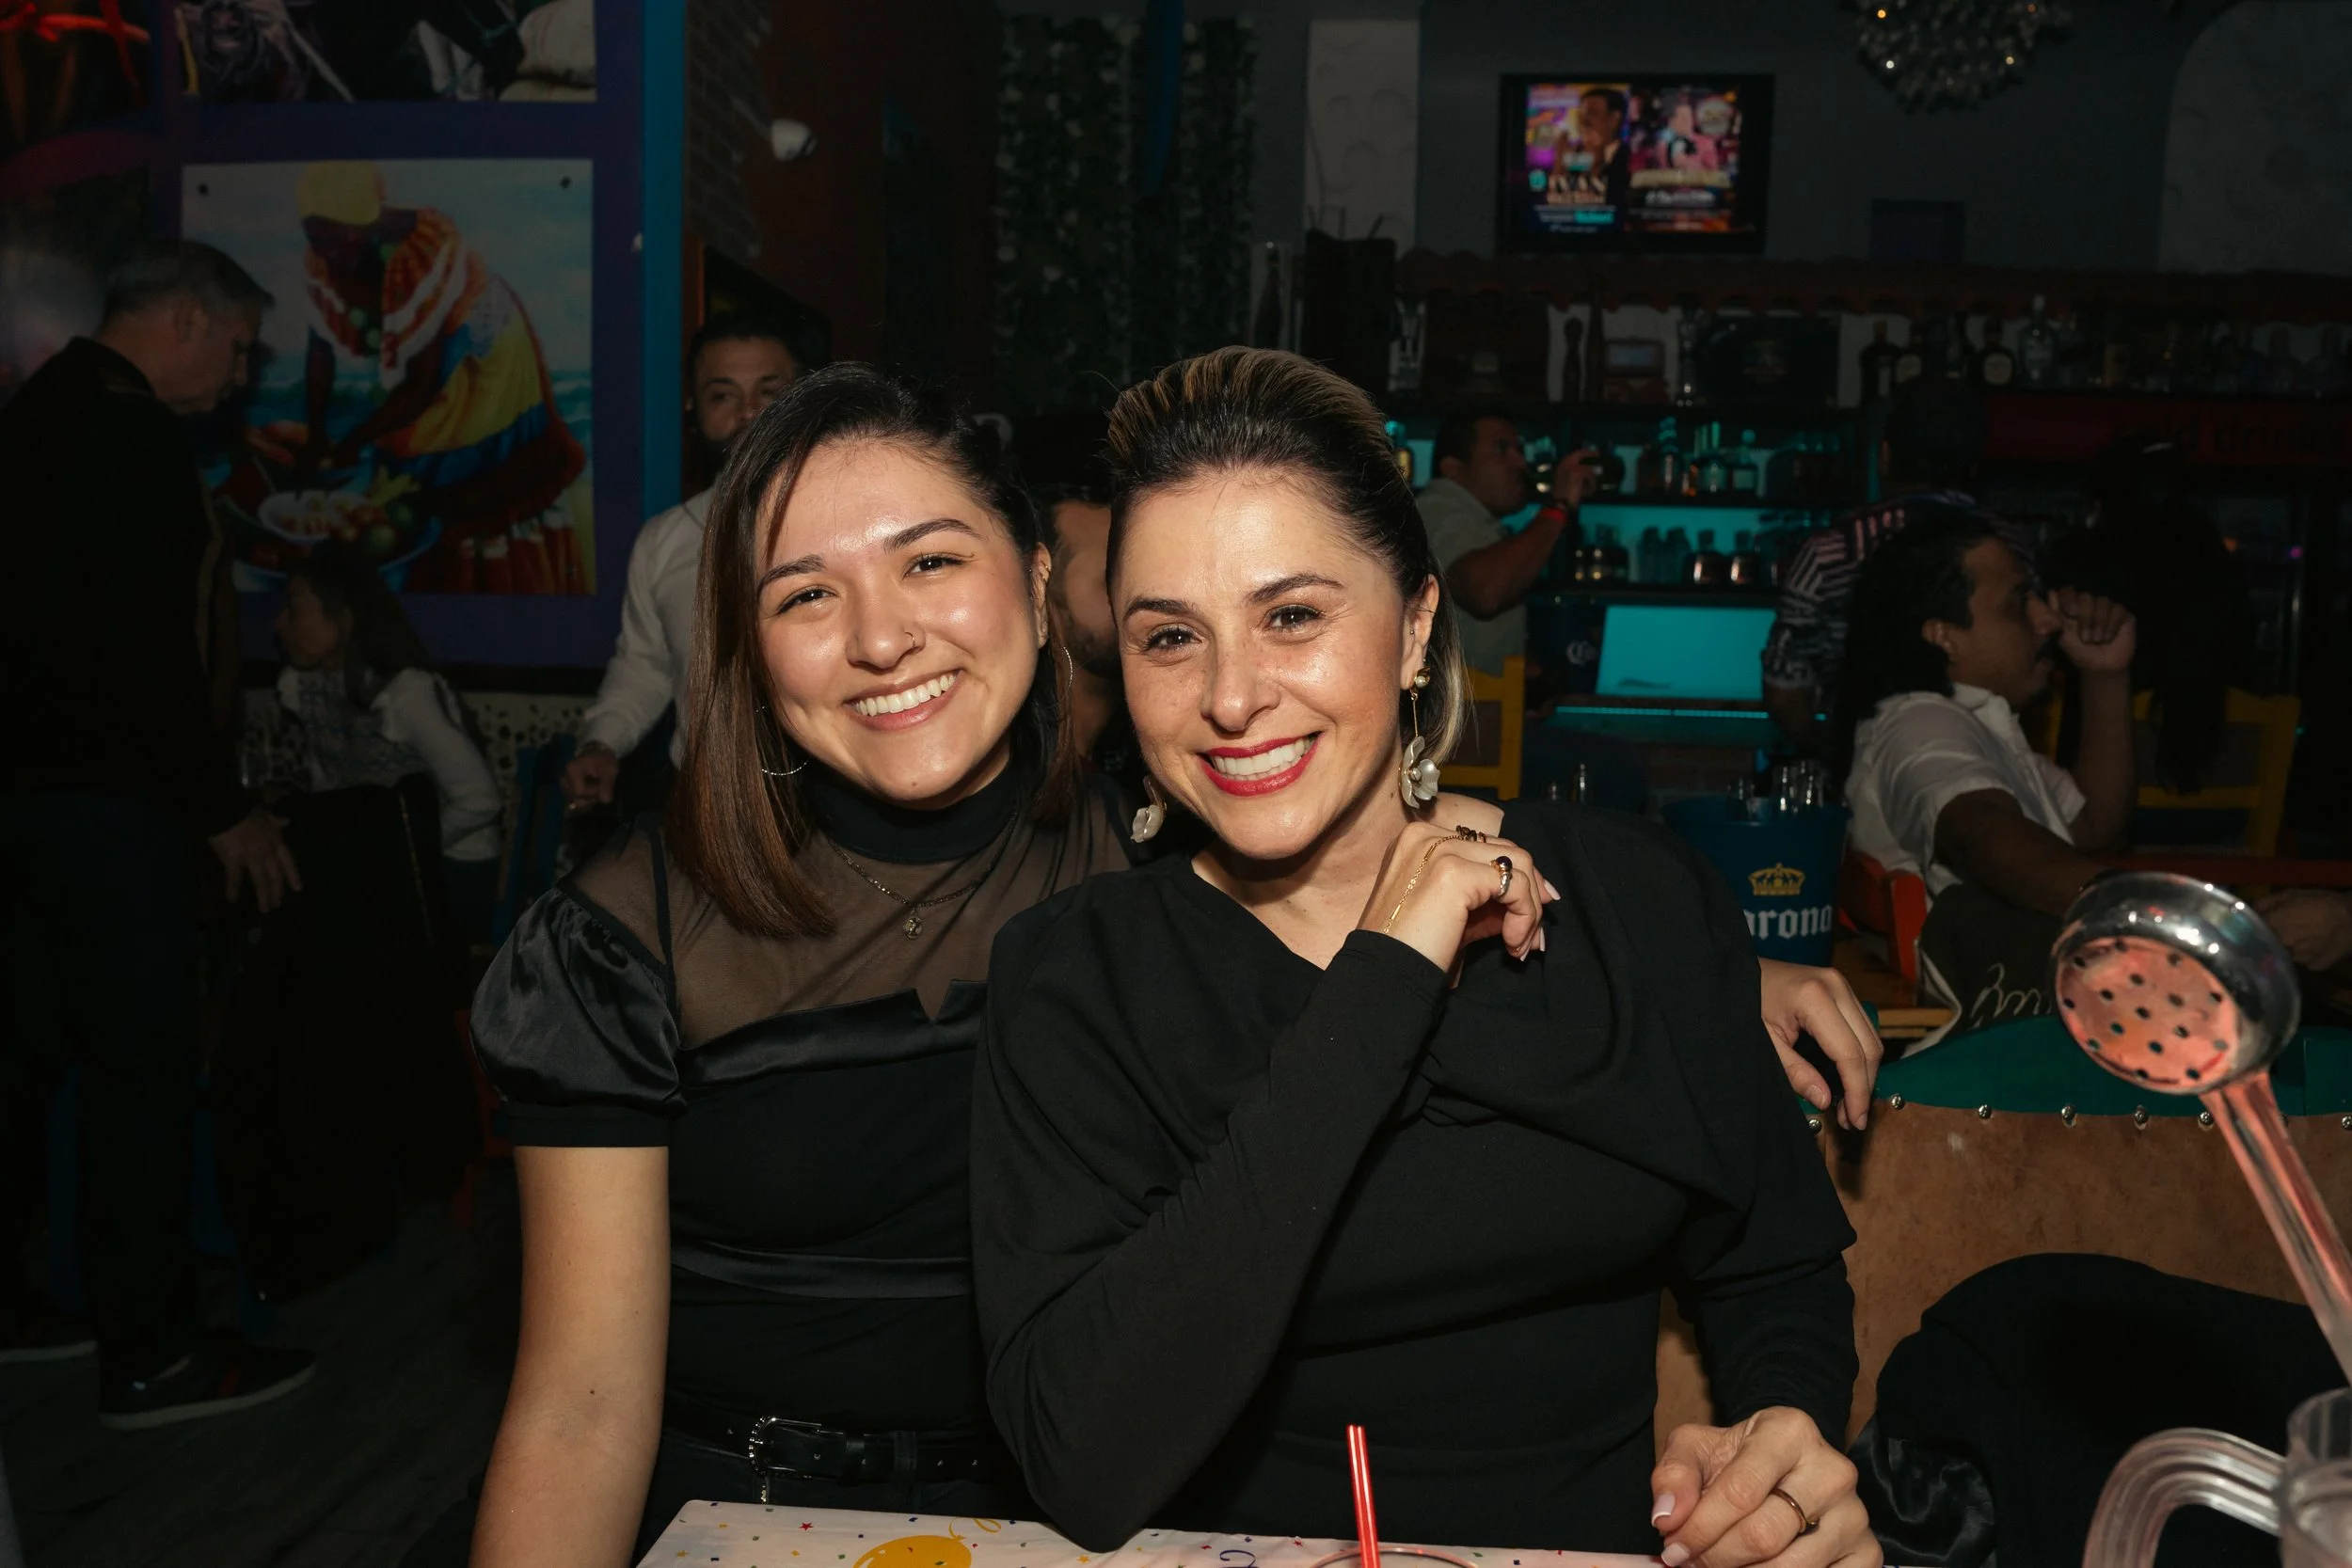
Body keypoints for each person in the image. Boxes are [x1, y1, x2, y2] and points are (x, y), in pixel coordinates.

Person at [971, 347, 1877, 1560]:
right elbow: (1081, 1455)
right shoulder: (1075, 981)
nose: (1231, 697)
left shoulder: (1639, 901)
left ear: (1413, 628)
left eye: (1291, 616)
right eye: (1170, 638)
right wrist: (1381, 977)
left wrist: (1777, 1448)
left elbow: (1774, 1265)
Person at [0, 239, 314, 1421]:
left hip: (26, 801)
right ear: (181, 319)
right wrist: (221, 805)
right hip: (106, 804)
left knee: (27, 1057)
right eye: (235, 347)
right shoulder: (121, 433)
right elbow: (140, 654)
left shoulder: (36, 414)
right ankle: (154, 1350)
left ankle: (18, 1303)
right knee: (140, 1063)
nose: (239, 376)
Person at [1837, 510, 2137, 1039]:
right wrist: (2160, 914)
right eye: (2019, 602)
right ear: (1944, 636)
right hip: (1989, 1053)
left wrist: (2104, 676)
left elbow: (2094, 827)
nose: (2048, 620)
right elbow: (1980, 837)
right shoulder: (1921, 722)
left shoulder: (1978, 723)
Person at [288, 160, 588, 593]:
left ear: (364, 224)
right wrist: (317, 434)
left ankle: (487, 577)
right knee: (408, 454)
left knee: (460, 461)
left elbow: (423, 385)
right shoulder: (323, 253)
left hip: (486, 350)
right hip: (427, 361)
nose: (329, 253)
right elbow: (319, 349)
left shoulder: (427, 252)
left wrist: (353, 440)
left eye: (339, 239)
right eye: (316, 239)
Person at [563, 311, 809, 811]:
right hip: (710, 813)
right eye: (723, 395)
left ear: (802, 398)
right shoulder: (665, 541)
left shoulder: (859, 524)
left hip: (840, 810)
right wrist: (602, 743)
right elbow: (645, 664)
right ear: (693, 407)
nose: (748, 412)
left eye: (770, 392)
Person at [1764, 379, 2011, 752]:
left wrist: (1829, 756)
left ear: (1884, 456)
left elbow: (1784, 693)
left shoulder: (1829, 551)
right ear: (1974, 466)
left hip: (1865, 764)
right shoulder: (2012, 550)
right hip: (1985, 768)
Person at [274, 541, 501, 944]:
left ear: (344, 617)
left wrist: (400, 852)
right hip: (377, 870)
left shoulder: (404, 692)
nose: (280, 623)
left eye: (294, 608)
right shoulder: (302, 687)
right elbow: (330, 789)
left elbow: (479, 799)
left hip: (450, 868)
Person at [1414, 408, 1597, 676]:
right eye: (1501, 450)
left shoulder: (1476, 523)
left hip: (1479, 710)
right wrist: (1559, 507)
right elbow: (1485, 593)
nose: (1521, 463)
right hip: (1459, 714)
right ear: (1453, 470)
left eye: (1519, 451)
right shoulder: (1438, 508)